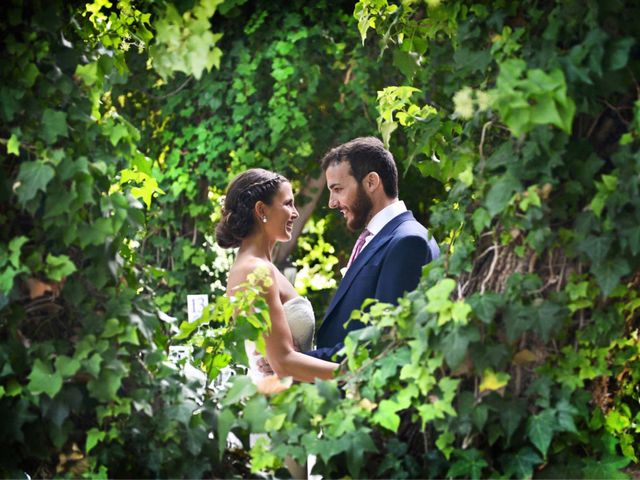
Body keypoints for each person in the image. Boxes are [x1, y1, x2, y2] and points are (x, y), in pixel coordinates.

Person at [304, 136, 440, 361]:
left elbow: (384, 344)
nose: (331, 202)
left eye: (337, 189)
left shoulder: (408, 242)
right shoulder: (381, 238)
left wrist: (297, 363)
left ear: (371, 182)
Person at [216, 168, 338, 383]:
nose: (295, 212)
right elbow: (284, 363)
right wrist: (357, 373)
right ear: (261, 210)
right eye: (288, 204)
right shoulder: (253, 270)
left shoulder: (264, 267)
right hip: (275, 403)